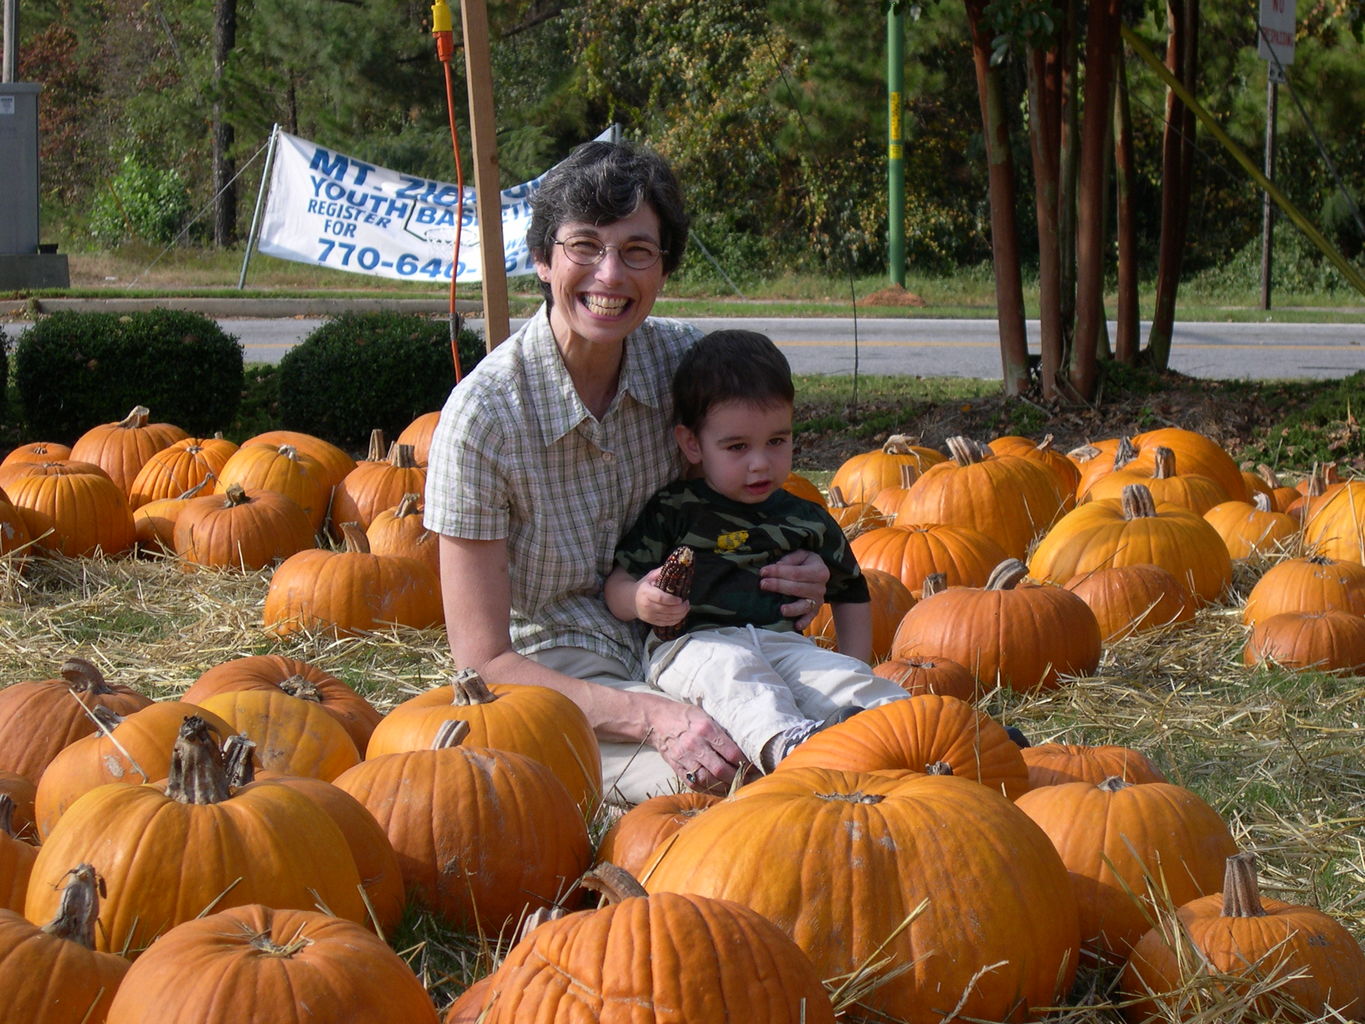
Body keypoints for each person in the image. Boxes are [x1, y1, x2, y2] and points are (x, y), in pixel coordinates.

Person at [422, 140, 830, 806]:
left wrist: (795, 564)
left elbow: (752, 486)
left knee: (838, 731)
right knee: (722, 786)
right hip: (555, 669)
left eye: (636, 251)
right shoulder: (483, 418)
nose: (610, 276)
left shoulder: (688, 363)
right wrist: (656, 718)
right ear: (541, 258)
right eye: (584, 246)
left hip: (693, 636)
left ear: (663, 268)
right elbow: (483, 662)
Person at [605, 330, 910, 774]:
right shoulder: (675, 509)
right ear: (692, 444)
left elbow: (850, 590)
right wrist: (638, 600)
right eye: (737, 447)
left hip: (781, 642)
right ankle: (788, 749)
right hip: (692, 646)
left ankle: (926, 735)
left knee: (844, 682)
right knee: (738, 674)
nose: (760, 463)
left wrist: (851, 662)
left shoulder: (807, 519)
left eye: (777, 441)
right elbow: (618, 583)